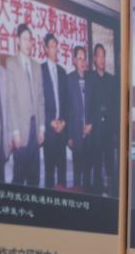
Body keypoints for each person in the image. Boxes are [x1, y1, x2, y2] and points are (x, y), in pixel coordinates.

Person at [5, 23, 45, 187]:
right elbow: (11, 100)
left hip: (35, 127)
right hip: (21, 129)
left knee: (34, 177)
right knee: (19, 177)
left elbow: (41, 98)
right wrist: (15, 132)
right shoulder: (11, 63)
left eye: (30, 39)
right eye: (24, 39)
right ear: (18, 41)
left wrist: (42, 128)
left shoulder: (36, 66)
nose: (28, 43)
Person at [40, 33, 68, 189]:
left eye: (56, 46)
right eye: (51, 46)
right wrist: (50, 121)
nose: (55, 49)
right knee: (49, 173)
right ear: (45, 49)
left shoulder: (62, 72)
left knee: (62, 172)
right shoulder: (40, 70)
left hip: (62, 130)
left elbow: (66, 102)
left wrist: (63, 122)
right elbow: (39, 102)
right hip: (49, 130)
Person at [65, 46, 94, 191]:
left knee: (88, 170)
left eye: (84, 58)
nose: (82, 62)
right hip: (75, 133)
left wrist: (91, 125)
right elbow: (66, 109)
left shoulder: (91, 79)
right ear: (74, 60)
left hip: (89, 132)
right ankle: (77, 195)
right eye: (79, 58)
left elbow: (95, 105)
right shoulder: (69, 79)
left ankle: (87, 194)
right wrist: (68, 136)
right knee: (77, 172)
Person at [90, 44, 117, 193]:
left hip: (108, 129)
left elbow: (115, 107)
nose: (102, 59)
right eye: (99, 56)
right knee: (96, 165)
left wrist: (114, 131)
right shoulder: (90, 78)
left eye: (103, 56)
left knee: (110, 164)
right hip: (95, 130)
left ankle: (111, 192)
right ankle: (98, 191)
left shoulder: (111, 80)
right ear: (94, 59)